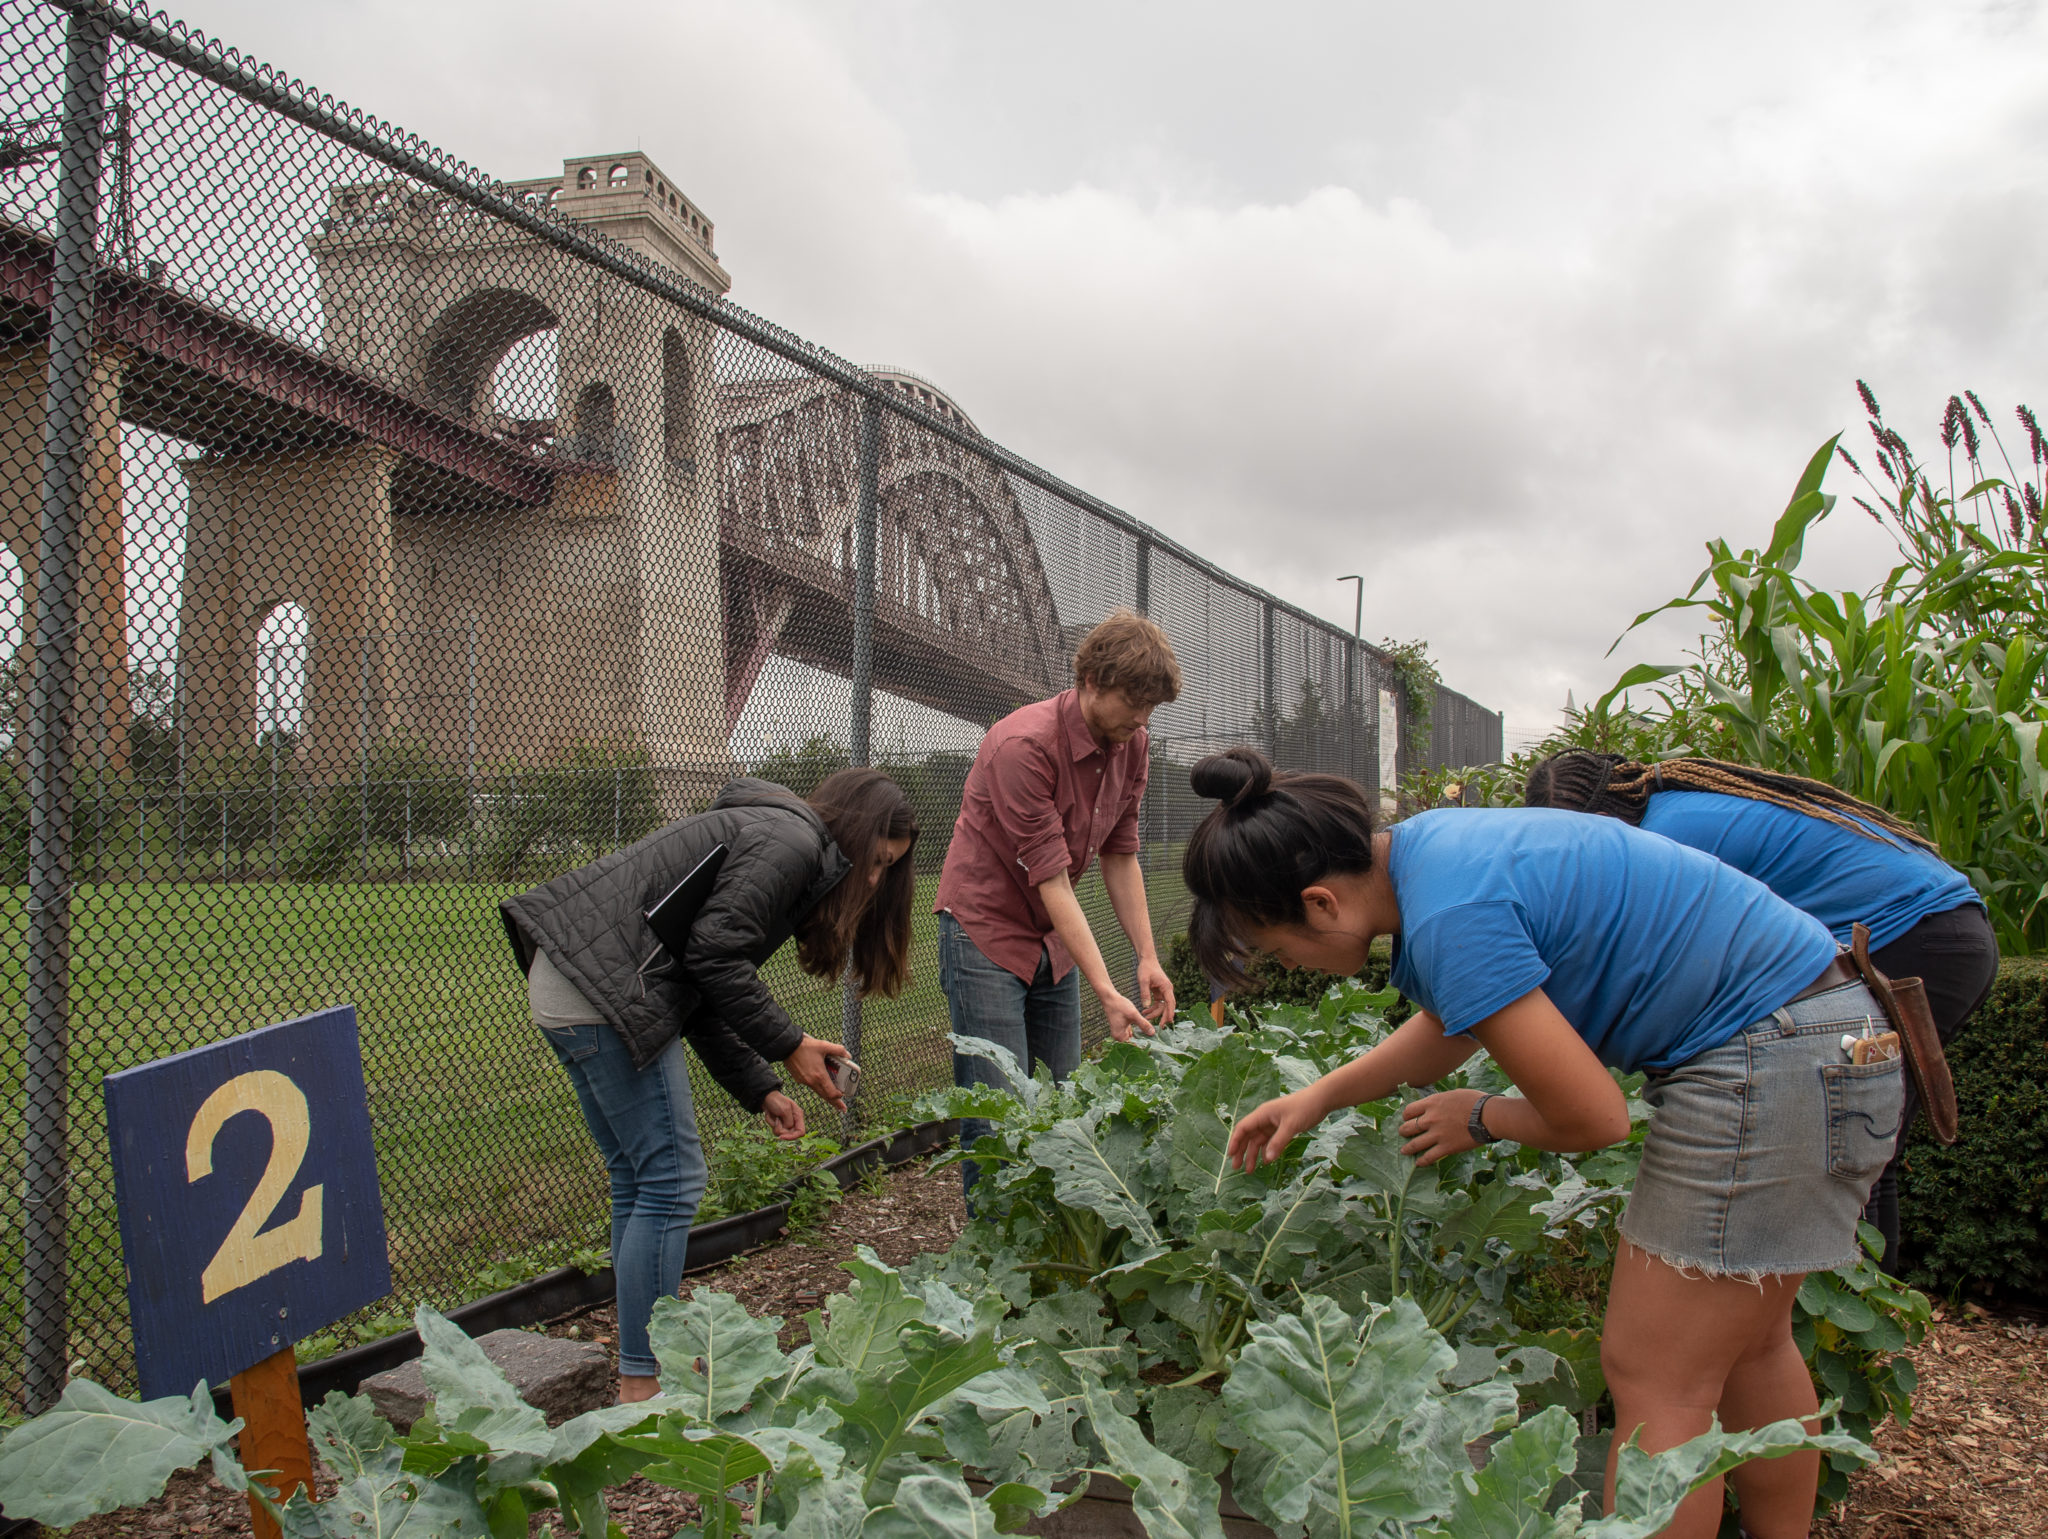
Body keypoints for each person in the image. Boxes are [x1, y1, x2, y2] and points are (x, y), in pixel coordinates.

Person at [1190, 747, 1896, 1539]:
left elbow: (1595, 1118)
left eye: (1284, 953)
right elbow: (1456, 1019)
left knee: (1654, 1378)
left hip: (1763, 1060)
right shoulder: (1434, 853)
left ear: (1320, 904)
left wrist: (1483, 1116)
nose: (1301, 970)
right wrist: (1319, 1095)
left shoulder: (1452, 912)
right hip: (1830, 1033)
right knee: (1750, 1349)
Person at [500, 770, 917, 1402]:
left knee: (638, 1177)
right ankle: (645, 1381)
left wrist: (762, 1087)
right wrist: (790, 1045)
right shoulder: (792, 843)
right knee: (671, 1178)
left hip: (570, 984)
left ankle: (643, 1361)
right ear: (858, 832)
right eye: (880, 861)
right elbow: (713, 959)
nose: (876, 879)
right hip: (605, 992)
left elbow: (698, 988)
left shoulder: (777, 833)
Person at [1523, 752, 1996, 1272]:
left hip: (1914, 938)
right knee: (1857, 1136)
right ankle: (1849, 1305)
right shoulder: (1678, 811)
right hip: (1943, 931)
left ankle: (1849, 1307)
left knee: (1851, 1137)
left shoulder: (1670, 837)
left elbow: (1680, 962)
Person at [936, 609, 1182, 1193]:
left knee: (1064, 1104)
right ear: (1092, 681)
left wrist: (1146, 958)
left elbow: (1121, 853)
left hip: (1055, 939)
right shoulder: (1024, 745)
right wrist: (1107, 990)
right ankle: (993, 1260)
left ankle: (1050, 1248)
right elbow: (1052, 878)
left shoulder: (1132, 743)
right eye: (1134, 702)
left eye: (1152, 707)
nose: (1143, 719)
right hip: (986, 935)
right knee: (998, 1114)